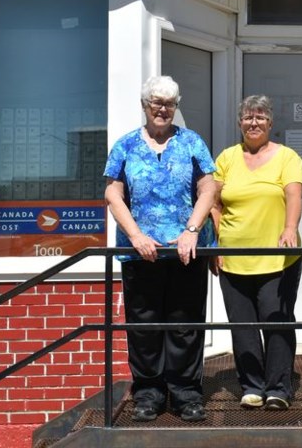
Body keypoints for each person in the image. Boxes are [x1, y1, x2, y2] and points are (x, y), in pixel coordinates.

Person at [103, 75, 216, 424]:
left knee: (185, 324)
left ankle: (185, 394)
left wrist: (191, 231)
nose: (163, 109)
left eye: (169, 103)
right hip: (141, 252)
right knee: (145, 325)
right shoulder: (125, 145)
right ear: (145, 105)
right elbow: (112, 193)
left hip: (184, 250)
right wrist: (135, 235)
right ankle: (149, 394)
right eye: (156, 102)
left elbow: (208, 188)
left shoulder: (191, 142)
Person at [212, 94, 302, 411]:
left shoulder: (287, 157)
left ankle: (279, 386)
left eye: (261, 117)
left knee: (276, 321)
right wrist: (216, 242)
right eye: (248, 117)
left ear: (270, 123)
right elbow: (214, 202)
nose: (254, 122)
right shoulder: (226, 157)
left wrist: (290, 227)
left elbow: (294, 194)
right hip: (233, 257)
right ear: (240, 122)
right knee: (242, 324)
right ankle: (251, 386)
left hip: (278, 257)